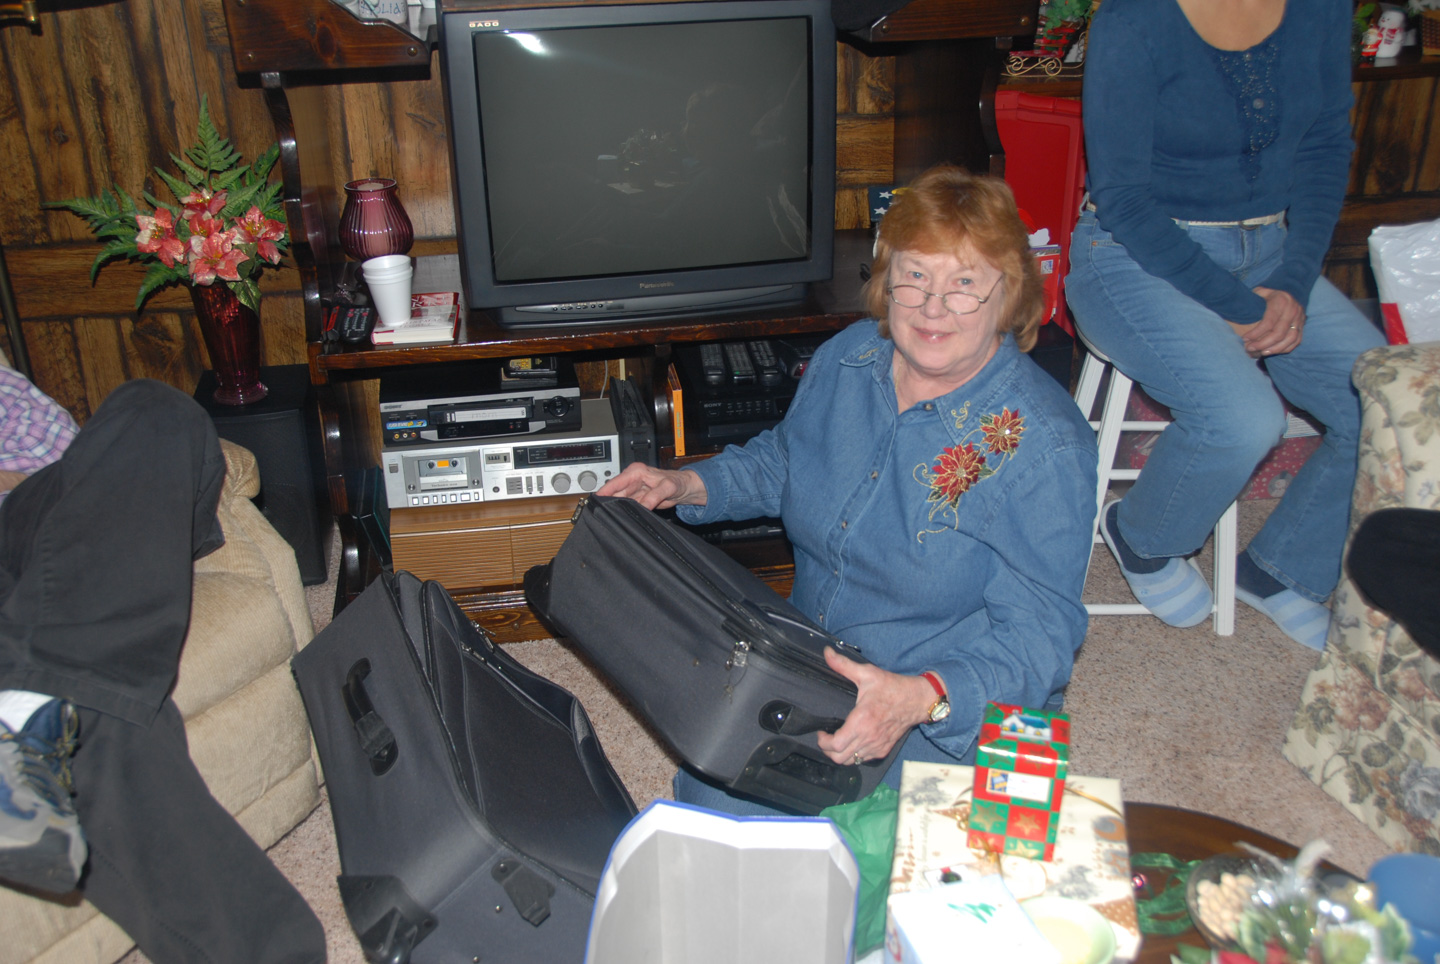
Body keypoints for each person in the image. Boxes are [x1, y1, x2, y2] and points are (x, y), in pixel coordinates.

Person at [598, 165, 1098, 815]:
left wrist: (919, 697)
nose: (932, 306)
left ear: (1009, 295)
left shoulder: (1044, 445)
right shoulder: (851, 356)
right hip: (818, 668)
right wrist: (687, 482)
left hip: (945, 705)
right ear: (887, 281)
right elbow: (788, 459)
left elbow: (1042, 637)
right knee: (706, 802)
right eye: (915, 275)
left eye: (965, 283)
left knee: (900, 887)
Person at [1064, 0, 1386, 649]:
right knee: (1243, 418)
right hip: (1135, 255)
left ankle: (1279, 571)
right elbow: (1124, 199)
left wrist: (1292, 283)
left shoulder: (1320, 8)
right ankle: (1143, 536)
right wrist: (1239, 308)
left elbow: (1326, 148)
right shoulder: (1135, 18)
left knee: (1389, 404)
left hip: (1272, 253)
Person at [0, 370, 325, 963]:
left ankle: (34, 705)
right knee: (102, 718)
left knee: (154, 409)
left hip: (28, 529)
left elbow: (70, 459)